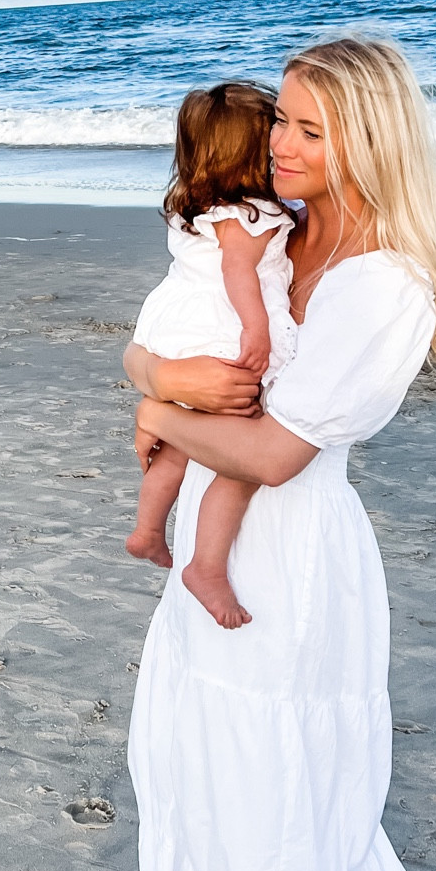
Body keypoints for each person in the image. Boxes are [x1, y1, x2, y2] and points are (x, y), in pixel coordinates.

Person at [120, 36, 436, 871]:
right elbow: (168, 339)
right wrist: (156, 375)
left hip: (291, 556)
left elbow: (275, 453)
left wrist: (160, 412)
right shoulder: (285, 230)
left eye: (310, 130)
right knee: (199, 766)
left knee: (283, 794)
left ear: (370, 140)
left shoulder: (388, 281)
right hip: (210, 533)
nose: (279, 144)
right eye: (282, 119)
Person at [126, 82, 296, 629]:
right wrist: (257, 327)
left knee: (178, 446)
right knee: (242, 457)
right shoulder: (250, 216)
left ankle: (148, 529)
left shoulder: (197, 209)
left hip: (176, 332)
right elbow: (237, 272)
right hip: (223, 335)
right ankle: (207, 566)